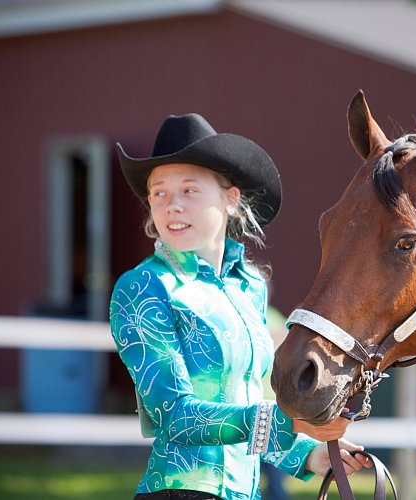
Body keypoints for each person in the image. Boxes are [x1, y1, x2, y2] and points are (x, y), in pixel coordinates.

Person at [109, 113, 370, 500]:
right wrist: (290, 423)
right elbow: (175, 415)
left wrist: (308, 454)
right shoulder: (143, 288)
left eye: (189, 191)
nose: (172, 206)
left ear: (231, 198)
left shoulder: (247, 288)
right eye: (159, 192)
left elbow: (249, 402)